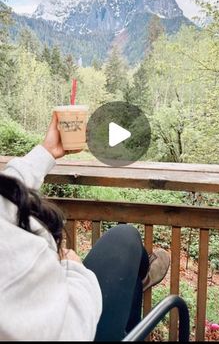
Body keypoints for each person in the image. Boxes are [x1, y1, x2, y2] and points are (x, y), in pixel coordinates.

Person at [0, 112, 170, 341]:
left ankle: (135, 284)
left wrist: (46, 152)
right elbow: (66, 331)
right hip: (75, 322)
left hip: (45, 293)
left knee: (124, 238)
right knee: (125, 238)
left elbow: (5, 199)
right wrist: (73, 270)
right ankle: (133, 297)